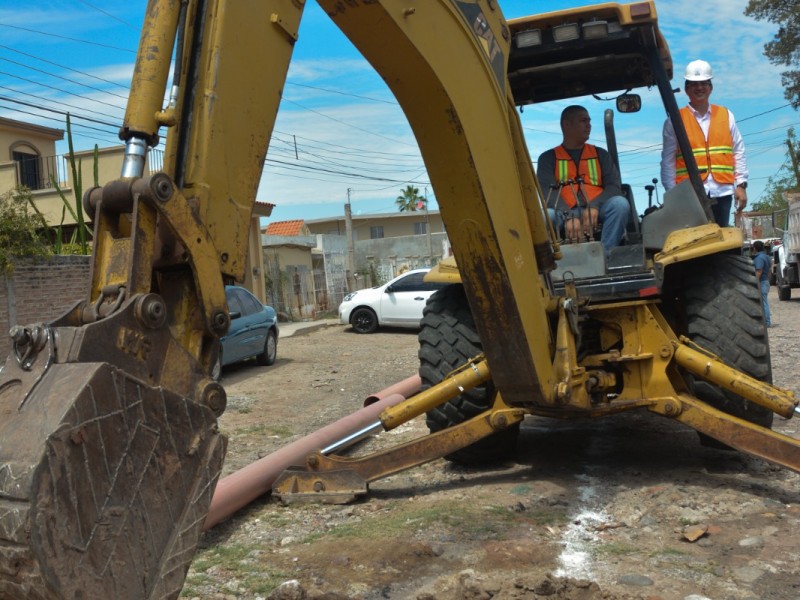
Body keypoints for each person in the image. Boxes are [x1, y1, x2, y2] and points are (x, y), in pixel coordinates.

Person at [660, 59, 748, 227]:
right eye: (694, 84)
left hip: (722, 192)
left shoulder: (726, 115)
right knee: (694, 244)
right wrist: (673, 194)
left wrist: (741, 185)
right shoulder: (675, 120)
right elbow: (668, 161)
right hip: (689, 194)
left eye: (703, 83)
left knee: (721, 241)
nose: (699, 88)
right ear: (686, 89)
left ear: (710, 87)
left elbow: (738, 151)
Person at [536, 105, 630, 253]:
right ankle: (551, 262)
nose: (589, 125)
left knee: (620, 204)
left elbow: (614, 187)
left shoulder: (600, 154)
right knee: (544, 216)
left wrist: (594, 206)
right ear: (567, 125)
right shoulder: (548, 158)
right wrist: (568, 216)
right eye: (583, 121)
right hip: (562, 212)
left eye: (589, 121)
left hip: (598, 209)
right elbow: (547, 192)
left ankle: (604, 256)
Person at [752, 240, 772, 328]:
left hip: (762, 282)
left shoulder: (759, 258)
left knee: (764, 303)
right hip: (766, 281)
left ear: (755, 248)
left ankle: (767, 322)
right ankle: (766, 321)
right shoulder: (767, 257)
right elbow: (770, 271)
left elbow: (759, 271)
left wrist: (754, 282)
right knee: (764, 302)